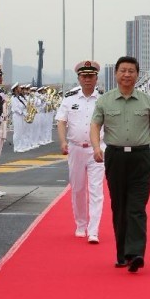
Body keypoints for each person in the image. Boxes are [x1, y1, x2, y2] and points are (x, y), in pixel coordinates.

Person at [90, 56, 150, 273]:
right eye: (123, 71)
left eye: (131, 71)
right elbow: (95, 125)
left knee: (137, 207)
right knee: (119, 207)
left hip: (141, 158)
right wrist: (96, 147)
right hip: (115, 157)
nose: (127, 75)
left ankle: (136, 253)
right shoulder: (105, 101)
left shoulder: (146, 100)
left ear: (137, 74)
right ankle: (122, 254)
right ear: (116, 74)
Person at [56, 60, 105, 244]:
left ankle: (94, 230)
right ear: (78, 78)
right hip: (75, 148)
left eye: (91, 76)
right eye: (84, 76)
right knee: (77, 189)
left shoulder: (103, 99)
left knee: (96, 190)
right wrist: (62, 142)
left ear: (96, 78)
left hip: (97, 149)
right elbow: (61, 121)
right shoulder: (69, 98)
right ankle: (81, 224)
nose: (87, 80)